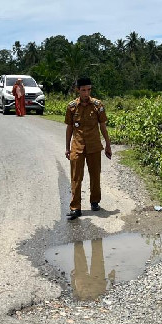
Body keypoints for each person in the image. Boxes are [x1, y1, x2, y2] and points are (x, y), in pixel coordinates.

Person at [64, 77, 112, 220]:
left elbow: (103, 127)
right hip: (77, 146)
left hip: (94, 146)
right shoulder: (72, 106)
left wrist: (108, 145)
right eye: (83, 90)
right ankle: (75, 208)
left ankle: (95, 201)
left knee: (95, 175)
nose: (86, 93)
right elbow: (69, 128)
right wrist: (67, 148)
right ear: (78, 90)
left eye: (89, 90)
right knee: (76, 177)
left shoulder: (98, 105)